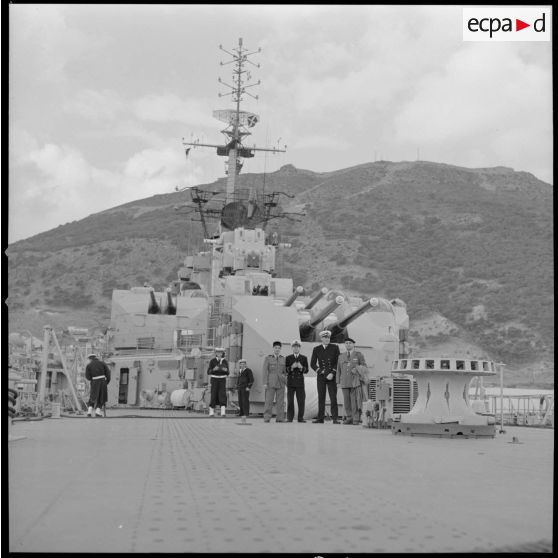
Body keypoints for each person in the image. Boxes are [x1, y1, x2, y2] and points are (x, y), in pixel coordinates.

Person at [310, 330, 340, 424]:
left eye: (328, 338)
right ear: (321, 338)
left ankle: (335, 418)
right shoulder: (316, 349)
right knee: (321, 398)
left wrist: (333, 373)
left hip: (331, 376)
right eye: (325, 337)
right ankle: (320, 418)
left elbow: (337, 362)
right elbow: (312, 364)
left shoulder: (335, 347)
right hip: (321, 376)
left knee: (333, 398)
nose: (327, 339)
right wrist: (320, 371)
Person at [337, 338, 367, 425]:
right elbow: (338, 370)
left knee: (355, 402)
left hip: (355, 382)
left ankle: (356, 419)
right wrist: (338, 381)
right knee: (346, 401)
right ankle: (349, 417)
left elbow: (364, 367)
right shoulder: (341, 356)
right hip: (344, 382)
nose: (348, 344)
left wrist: (357, 369)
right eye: (346, 343)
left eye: (350, 343)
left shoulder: (358, 355)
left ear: (353, 344)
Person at [262, 341, 287, 423]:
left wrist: (286, 382)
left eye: (279, 348)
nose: (277, 349)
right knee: (269, 401)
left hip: (281, 382)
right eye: (276, 348)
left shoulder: (283, 359)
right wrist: (265, 383)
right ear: (273, 348)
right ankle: (267, 417)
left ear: (280, 349)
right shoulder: (268, 358)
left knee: (280, 401)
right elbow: (265, 371)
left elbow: (286, 372)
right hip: (271, 382)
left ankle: (280, 418)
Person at [285, 340, 309, 422]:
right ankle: (289, 418)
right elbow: (285, 370)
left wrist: (301, 367)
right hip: (291, 382)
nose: (296, 348)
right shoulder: (288, 358)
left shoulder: (304, 358)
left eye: (297, 347)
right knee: (290, 401)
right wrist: (291, 367)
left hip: (300, 383)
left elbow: (306, 371)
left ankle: (300, 418)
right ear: (292, 348)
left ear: (299, 348)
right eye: (294, 347)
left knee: (301, 401)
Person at [207, 347, 229, 417]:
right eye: (218, 352)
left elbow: (228, 372)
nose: (219, 354)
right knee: (213, 394)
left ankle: (223, 412)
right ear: (216, 353)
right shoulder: (212, 361)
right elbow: (208, 372)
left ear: (222, 353)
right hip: (214, 379)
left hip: (222, 379)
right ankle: (211, 412)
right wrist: (214, 369)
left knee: (222, 395)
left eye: (221, 352)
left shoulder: (225, 361)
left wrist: (226, 371)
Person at [236, 358, 254, 422]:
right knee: (240, 400)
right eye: (241, 364)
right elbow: (238, 379)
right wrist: (237, 386)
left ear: (246, 364)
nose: (242, 365)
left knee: (245, 400)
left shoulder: (248, 370)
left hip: (245, 387)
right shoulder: (240, 371)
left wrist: (249, 387)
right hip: (240, 387)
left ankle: (246, 413)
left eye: (244, 364)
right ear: (240, 365)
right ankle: (241, 413)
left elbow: (251, 379)